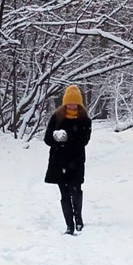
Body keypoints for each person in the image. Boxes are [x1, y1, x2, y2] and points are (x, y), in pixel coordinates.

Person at [44, 85, 92, 235]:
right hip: (59, 162)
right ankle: (69, 225)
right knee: (64, 194)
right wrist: (56, 138)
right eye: (69, 103)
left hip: (76, 162)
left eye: (75, 103)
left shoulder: (84, 119)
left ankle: (78, 218)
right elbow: (47, 139)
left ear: (79, 104)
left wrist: (67, 138)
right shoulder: (56, 117)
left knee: (75, 191)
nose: (72, 105)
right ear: (65, 103)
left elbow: (84, 140)